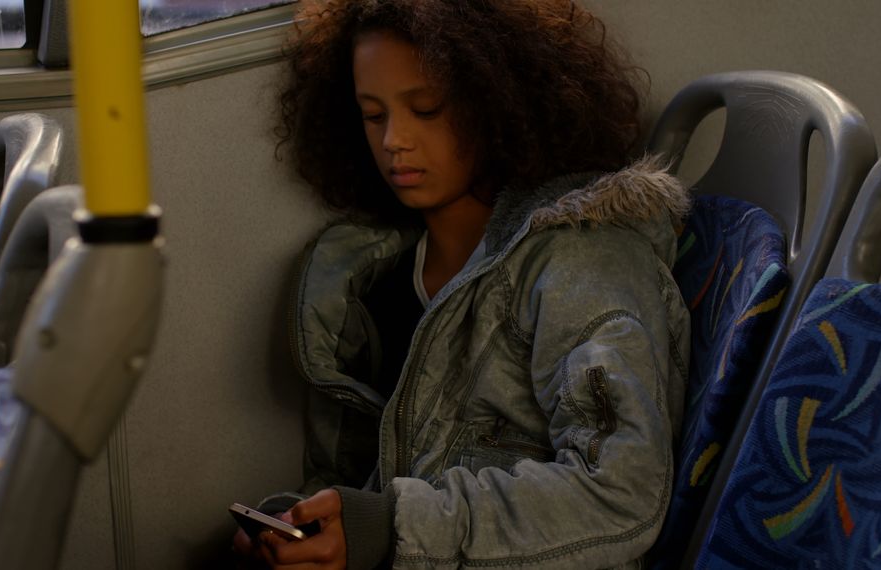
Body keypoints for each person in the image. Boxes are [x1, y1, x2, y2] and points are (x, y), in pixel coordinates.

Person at [234, 0, 691, 567]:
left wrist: (388, 529)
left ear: (500, 103)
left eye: (426, 109)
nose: (394, 140)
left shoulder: (581, 259)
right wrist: (304, 524)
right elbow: (360, 476)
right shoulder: (366, 282)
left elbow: (620, 495)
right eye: (373, 115)